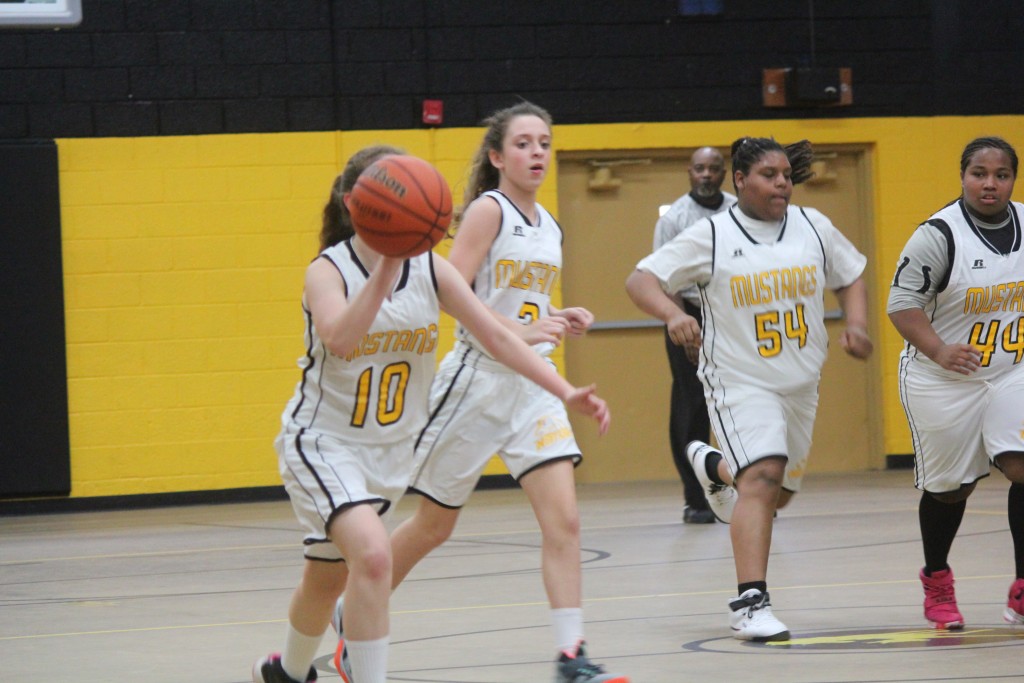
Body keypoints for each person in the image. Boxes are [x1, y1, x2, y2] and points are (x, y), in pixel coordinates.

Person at [251, 144, 611, 683]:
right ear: (357, 203)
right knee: (373, 558)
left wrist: (564, 390)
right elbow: (342, 339)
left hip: (387, 452)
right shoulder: (327, 272)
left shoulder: (432, 269)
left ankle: (286, 673)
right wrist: (390, 258)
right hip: (322, 442)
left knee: (325, 580)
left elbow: (494, 336)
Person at [330, 102, 629, 683]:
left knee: (564, 521)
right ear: (497, 156)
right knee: (435, 525)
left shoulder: (551, 225)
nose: (537, 152)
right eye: (523, 144)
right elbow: (456, 301)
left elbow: (518, 303)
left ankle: (572, 657)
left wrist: (555, 316)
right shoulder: (488, 211)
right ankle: (351, 614)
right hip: (476, 382)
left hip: (533, 388)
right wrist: (522, 329)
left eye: (544, 142)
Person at [625, 136, 873, 642]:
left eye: (786, 173)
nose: (782, 182)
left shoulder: (813, 226)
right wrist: (673, 313)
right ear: (740, 181)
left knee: (773, 495)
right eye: (768, 174)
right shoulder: (713, 235)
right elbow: (641, 279)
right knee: (762, 476)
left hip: (801, 382)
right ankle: (750, 604)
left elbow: (850, 275)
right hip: (738, 380)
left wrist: (857, 323)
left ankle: (713, 466)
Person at [888, 135, 1024, 630]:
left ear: (1012, 178)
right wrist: (940, 349)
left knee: (1023, 466)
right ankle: (937, 578)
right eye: (979, 174)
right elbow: (902, 305)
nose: (990, 184)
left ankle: (1023, 588)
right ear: (963, 175)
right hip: (943, 377)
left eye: (1001, 174)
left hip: (1011, 371)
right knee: (951, 490)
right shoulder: (938, 235)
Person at [653, 146, 736, 524]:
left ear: (725, 173)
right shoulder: (675, 218)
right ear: (689, 172)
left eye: (713, 169)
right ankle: (697, 498)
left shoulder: (737, 210)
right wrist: (683, 326)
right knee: (693, 407)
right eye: (699, 169)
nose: (706, 175)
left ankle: (751, 489)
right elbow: (662, 277)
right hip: (688, 313)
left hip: (732, 313)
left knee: (741, 403)